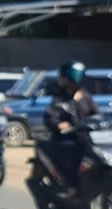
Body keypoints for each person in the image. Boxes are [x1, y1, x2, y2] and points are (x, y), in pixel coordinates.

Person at [42, 61, 98, 192]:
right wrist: (59, 124)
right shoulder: (59, 97)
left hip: (85, 137)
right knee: (74, 153)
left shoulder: (85, 95)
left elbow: (96, 114)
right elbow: (50, 115)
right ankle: (71, 188)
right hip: (65, 138)